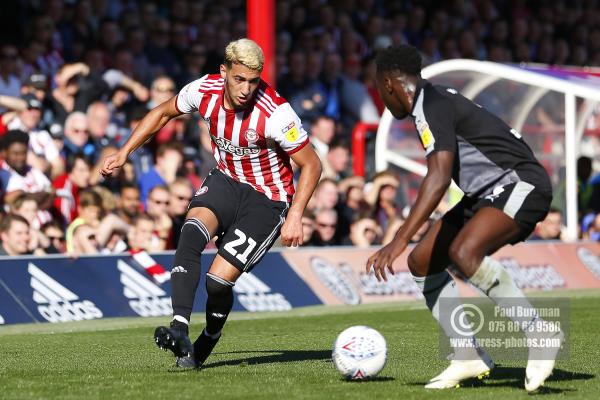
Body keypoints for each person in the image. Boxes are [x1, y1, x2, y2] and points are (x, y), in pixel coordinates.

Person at [101, 38, 321, 370]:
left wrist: (297, 215)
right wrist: (124, 151)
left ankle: (209, 337)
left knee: (217, 282)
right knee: (190, 232)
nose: (246, 89)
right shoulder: (203, 90)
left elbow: (312, 164)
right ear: (224, 72)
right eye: (239, 79)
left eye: (253, 81)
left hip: (268, 198)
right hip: (226, 180)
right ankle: (178, 328)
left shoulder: (276, 114)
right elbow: (162, 112)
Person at [366, 45, 562, 392]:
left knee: (464, 252)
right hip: (486, 192)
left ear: (388, 83)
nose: (382, 99)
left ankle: (539, 332)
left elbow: (439, 177)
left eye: (380, 91)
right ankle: (468, 353)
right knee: (422, 261)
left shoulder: (431, 104)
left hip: (520, 183)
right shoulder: (432, 100)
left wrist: (397, 239)